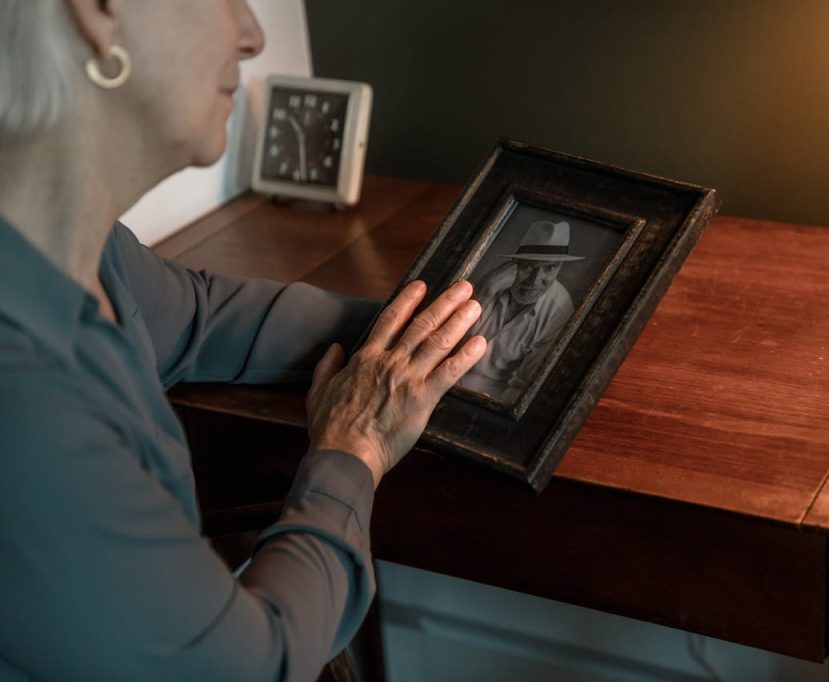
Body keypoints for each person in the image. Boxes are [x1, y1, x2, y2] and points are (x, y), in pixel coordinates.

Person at [0, 1, 486, 680]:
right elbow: (260, 665)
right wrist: (353, 450)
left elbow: (200, 314)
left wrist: (419, 333)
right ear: (98, 10)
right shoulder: (26, 413)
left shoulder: (70, 243)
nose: (254, 36)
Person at [459, 220, 583, 402]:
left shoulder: (558, 311)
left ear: (560, 268)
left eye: (549, 268)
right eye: (529, 266)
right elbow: (444, 343)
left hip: (490, 400)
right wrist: (484, 292)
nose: (534, 280)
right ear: (514, 263)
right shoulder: (486, 282)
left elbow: (524, 385)